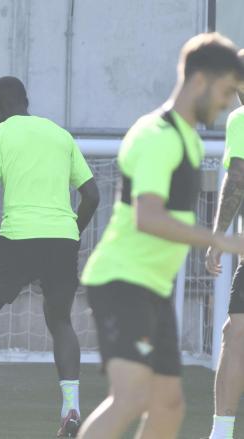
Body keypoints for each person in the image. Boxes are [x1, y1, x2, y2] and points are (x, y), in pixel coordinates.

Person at [79, 33, 244, 439]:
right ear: (201, 81)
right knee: (131, 398)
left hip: (152, 287)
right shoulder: (155, 134)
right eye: (227, 92)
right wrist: (221, 239)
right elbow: (147, 217)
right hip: (121, 281)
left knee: (168, 405)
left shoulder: (189, 138)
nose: (228, 105)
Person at [0, 76, 99, 437]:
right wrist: (72, 230)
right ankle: (71, 408)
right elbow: (91, 195)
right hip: (61, 240)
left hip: (19, 240)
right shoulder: (61, 135)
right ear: (26, 101)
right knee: (60, 322)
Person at [204, 48, 244, 439]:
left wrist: (218, 237)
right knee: (237, 331)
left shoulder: (241, 119)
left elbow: (237, 179)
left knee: (236, 335)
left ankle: (221, 433)